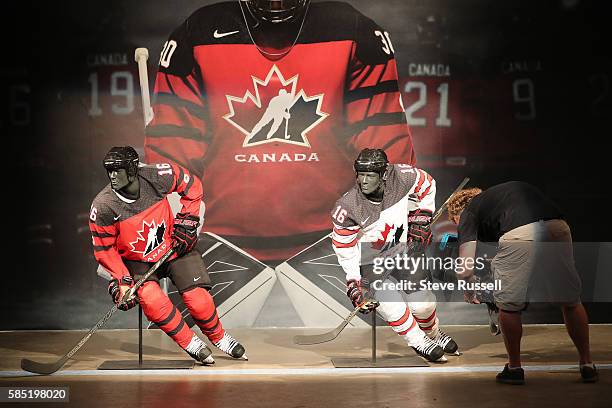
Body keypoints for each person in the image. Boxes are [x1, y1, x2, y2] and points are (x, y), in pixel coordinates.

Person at [145, 0, 415, 263]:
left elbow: (382, 142)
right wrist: (158, 226)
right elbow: (173, 151)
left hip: (333, 239)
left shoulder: (354, 31)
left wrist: (397, 219)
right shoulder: (197, 34)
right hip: (220, 244)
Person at [89, 146, 247, 365]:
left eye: (118, 169)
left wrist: (188, 219)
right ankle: (190, 342)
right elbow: (104, 250)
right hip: (137, 261)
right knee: (153, 301)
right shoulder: (103, 205)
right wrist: (122, 281)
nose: (113, 176)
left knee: (199, 300)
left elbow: (192, 185)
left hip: (174, 245)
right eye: (109, 170)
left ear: (133, 168)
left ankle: (219, 337)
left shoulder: (157, 176)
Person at [447, 182, 598, 384]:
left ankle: (514, 368)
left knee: (509, 306)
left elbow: (466, 267)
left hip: (520, 233)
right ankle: (587, 364)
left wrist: (469, 289)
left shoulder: (468, 213)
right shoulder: (500, 199)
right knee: (570, 300)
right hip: (557, 226)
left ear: (458, 213)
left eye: (455, 222)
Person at [330, 148, 458, 362]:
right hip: (372, 261)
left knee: (423, 305)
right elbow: (344, 247)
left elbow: (427, 184)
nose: (363, 181)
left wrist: (421, 216)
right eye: (360, 175)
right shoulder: (348, 206)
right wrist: (354, 281)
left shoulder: (402, 176)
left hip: (406, 251)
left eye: (370, 175)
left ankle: (434, 333)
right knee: (392, 306)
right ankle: (418, 340)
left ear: (384, 174)